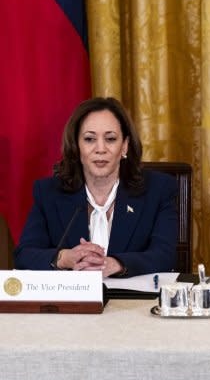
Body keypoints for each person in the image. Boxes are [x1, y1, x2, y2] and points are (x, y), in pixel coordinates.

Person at [14, 97, 178, 277]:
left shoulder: (158, 189)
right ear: (77, 146)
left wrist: (115, 264)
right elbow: (24, 255)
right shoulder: (48, 192)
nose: (100, 149)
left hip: (134, 302)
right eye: (90, 139)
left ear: (124, 146)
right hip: (74, 302)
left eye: (110, 139)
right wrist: (65, 258)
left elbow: (165, 255)